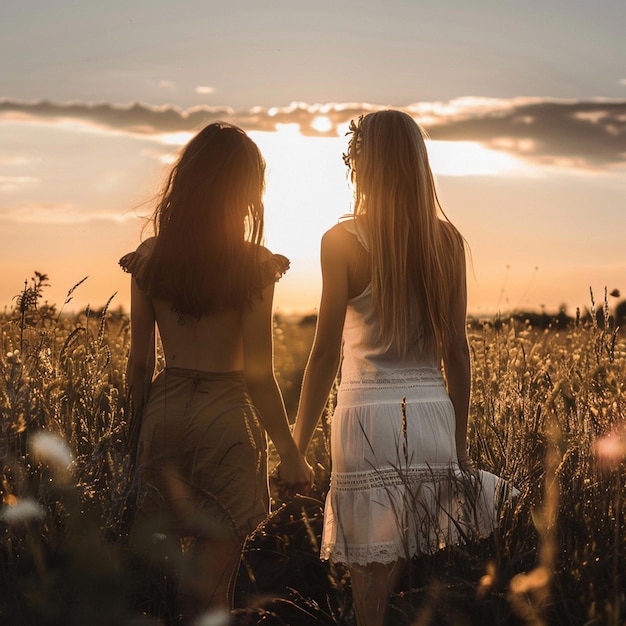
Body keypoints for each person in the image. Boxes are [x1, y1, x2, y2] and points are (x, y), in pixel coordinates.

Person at [292, 110, 514, 626]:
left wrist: (295, 447)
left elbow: (324, 354)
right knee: (422, 588)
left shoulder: (341, 240)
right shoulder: (447, 241)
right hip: (433, 417)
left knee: (370, 599)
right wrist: (458, 447)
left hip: (366, 420)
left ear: (361, 165)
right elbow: (456, 352)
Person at [119, 122, 313, 623]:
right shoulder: (254, 265)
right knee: (210, 595)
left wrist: (130, 440)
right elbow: (258, 374)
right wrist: (290, 453)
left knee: (173, 589)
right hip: (227, 421)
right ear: (246, 191)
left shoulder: (150, 257)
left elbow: (140, 365)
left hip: (164, 415)